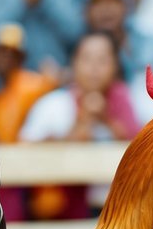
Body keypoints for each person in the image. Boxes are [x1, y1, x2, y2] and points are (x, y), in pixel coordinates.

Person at [19, 31, 139, 218]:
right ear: (74, 64)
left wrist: (106, 119)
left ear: (115, 67)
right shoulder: (53, 105)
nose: (94, 68)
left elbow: (141, 150)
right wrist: (81, 125)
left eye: (102, 60)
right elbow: (21, 155)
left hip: (121, 213)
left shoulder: (126, 99)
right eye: (87, 59)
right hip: (62, 214)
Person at [0, 23, 59, 221]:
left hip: (23, 168)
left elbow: (53, 81)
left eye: (11, 54)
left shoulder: (28, 83)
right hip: (4, 171)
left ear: (21, 58)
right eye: (1, 52)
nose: (4, 59)